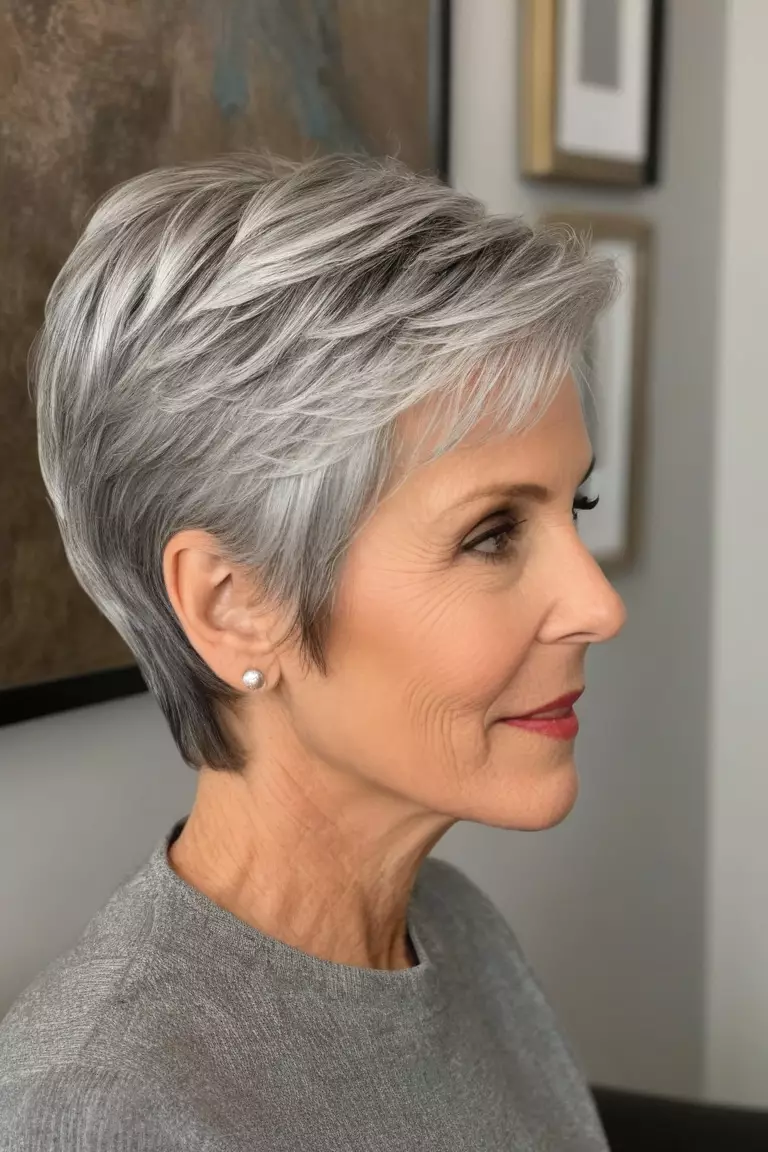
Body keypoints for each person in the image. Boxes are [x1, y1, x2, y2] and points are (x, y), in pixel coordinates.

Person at [0, 153, 626, 1151]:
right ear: (236, 603)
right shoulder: (104, 1115)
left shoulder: (456, 930)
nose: (597, 604)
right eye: (493, 532)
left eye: (574, 505)